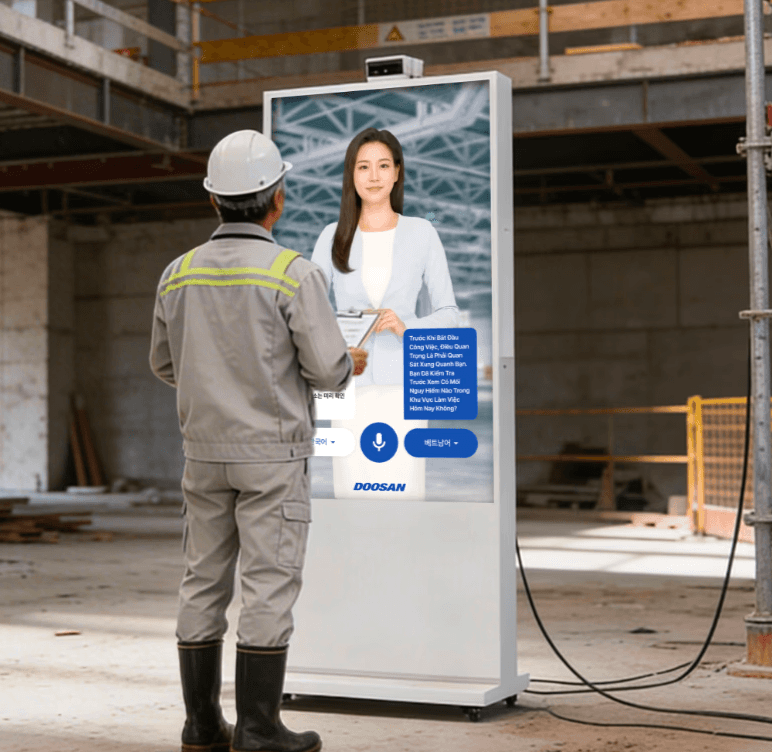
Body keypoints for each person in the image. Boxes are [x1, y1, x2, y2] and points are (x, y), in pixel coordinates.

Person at [150, 129, 367, 752]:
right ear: (277, 199)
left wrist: (215, 381)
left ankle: (201, 726)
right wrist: (349, 361)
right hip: (272, 457)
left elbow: (164, 363)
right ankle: (259, 728)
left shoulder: (176, 274)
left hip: (203, 454)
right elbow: (327, 371)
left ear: (213, 200)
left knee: (202, 581)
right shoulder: (292, 274)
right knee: (267, 585)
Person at [310, 127, 458, 500]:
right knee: (352, 492)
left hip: (403, 387)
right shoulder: (331, 236)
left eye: (383, 165)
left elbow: (449, 313)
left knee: (403, 492)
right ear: (351, 175)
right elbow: (308, 312)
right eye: (363, 167)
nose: (373, 176)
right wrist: (344, 327)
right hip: (348, 384)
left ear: (397, 172)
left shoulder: (421, 233)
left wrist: (406, 328)